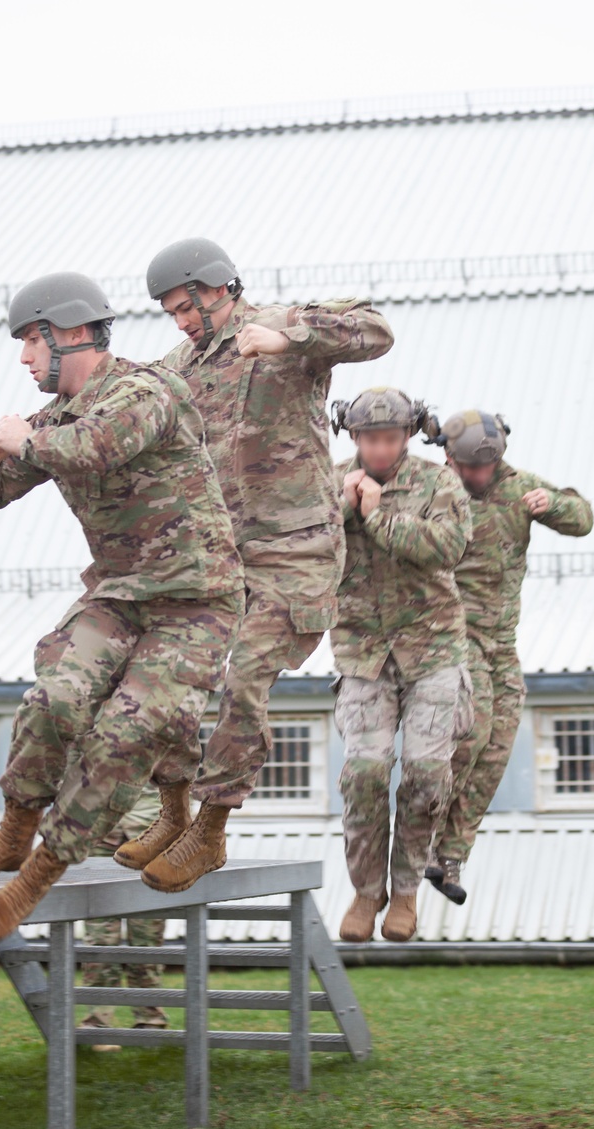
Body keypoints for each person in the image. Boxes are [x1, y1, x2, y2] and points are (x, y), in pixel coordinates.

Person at [0, 272, 243, 941]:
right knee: (55, 699)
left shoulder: (146, 391)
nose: (23, 358)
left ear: (71, 333)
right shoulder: (52, 420)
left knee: (124, 733)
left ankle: (36, 878)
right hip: (120, 594)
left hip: (196, 602)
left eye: (29, 341)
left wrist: (22, 440)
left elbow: (98, 446)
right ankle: (13, 833)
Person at [117, 239, 394, 890]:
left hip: (294, 552)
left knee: (244, 679)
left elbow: (375, 329)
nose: (182, 322)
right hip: (218, 555)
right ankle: (173, 809)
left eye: (188, 307)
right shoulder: (181, 364)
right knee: (167, 673)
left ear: (220, 289)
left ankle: (210, 832)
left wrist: (288, 336)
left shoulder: (280, 326)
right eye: (171, 313)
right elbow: (125, 403)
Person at [425, 410, 594, 904]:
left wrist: (553, 506)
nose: (477, 478)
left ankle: (449, 856)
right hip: (454, 634)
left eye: (485, 468)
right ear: (450, 459)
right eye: (468, 469)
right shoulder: (434, 491)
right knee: (471, 735)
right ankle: (417, 839)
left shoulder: (520, 486)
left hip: (502, 641)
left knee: (498, 748)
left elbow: (583, 519)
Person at [331, 388, 474, 943]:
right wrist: (344, 506)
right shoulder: (331, 481)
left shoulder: (439, 483)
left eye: (391, 438)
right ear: (354, 437)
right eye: (370, 438)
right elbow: (305, 545)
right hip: (362, 651)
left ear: (408, 436)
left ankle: (407, 889)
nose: (381, 448)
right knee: (364, 773)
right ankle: (367, 892)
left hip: (432, 648)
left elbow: (449, 547)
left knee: (425, 772)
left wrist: (377, 515)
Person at [80, 789, 169, 1048]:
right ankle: (98, 1024)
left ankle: (150, 1021)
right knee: (99, 938)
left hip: (152, 834)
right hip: (100, 833)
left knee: (147, 937)